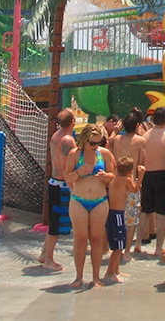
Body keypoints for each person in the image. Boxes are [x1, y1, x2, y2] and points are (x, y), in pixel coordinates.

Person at [65, 123, 116, 287]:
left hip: (99, 200)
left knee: (96, 238)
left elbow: (113, 176)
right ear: (84, 141)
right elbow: (68, 178)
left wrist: (105, 176)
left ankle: (95, 277)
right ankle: (79, 277)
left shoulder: (105, 154)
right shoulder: (75, 154)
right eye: (92, 143)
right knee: (80, 239)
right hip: (79, 200)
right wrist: (78, 173)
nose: (95, 146)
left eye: (98, 143)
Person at [139, 106, 165, 256]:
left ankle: (137, 244)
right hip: (162, 175)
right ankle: (158, 248)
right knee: (162, 213)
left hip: (147, 175)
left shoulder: (145, 136)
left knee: (145, 211)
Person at [39, 109, 76, 271]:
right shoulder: (67, 140)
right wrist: (73, 188)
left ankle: (43, 254)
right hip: (62, 184)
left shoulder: (56, 135)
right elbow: (64, 168)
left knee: (54, 221)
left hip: (54, 182)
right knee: (55, 224)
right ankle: (49, 260)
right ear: (73, 122)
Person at [111, 110, 147, 259]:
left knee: (116, 215)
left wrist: (115, 131)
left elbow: (113, 157)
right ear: (137, 125)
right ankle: (126, 252)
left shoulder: (118, 139)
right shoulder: (140, 141)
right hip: (131, 180)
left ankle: (116, 248)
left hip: (116, 181)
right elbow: (142, 163)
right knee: (131, 219)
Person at [105, 155, 144, 282]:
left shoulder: (114, 178)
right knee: (119, 246)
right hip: (118, 215)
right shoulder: (126, 180)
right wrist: (141, 175)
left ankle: (116, 270)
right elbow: (134, 190)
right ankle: (109, 273)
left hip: (111, 214)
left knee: (117, 243)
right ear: (129, 171)